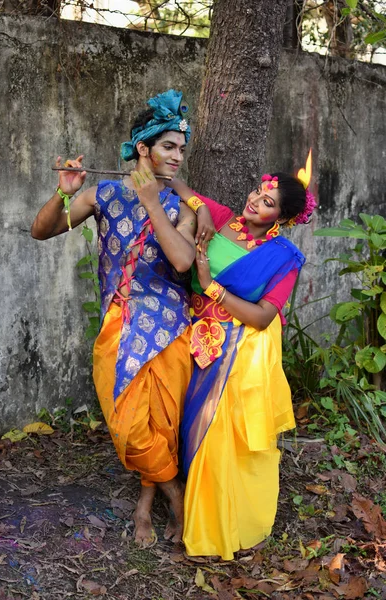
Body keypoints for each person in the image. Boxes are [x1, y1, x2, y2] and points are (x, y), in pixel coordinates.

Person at [31, 90, 204, 547]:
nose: (178, 157)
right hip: (118, 326)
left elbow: (183, 262)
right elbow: (41, 231)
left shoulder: (183, 207)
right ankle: (175, 494)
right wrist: (62, 193)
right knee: (128, 423)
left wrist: (152, 201)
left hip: (168, 328)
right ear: (143, 149)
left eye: (182, 149)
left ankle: (149, 506)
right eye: (169, 147)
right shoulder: (103, 193)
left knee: (158, 425)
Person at [170, 153, 317, 560]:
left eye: (268, 202)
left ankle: (217, 521)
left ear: (281, 218)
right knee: (186, 424)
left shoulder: (283, 258)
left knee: (219, 435)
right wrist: (199, 210)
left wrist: (209, 285)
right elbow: (179, 187)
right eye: (258, 191)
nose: (255, 201)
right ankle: (183, 503)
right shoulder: (221, 219)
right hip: (194, 338)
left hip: (238, 350)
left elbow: (262, 316)